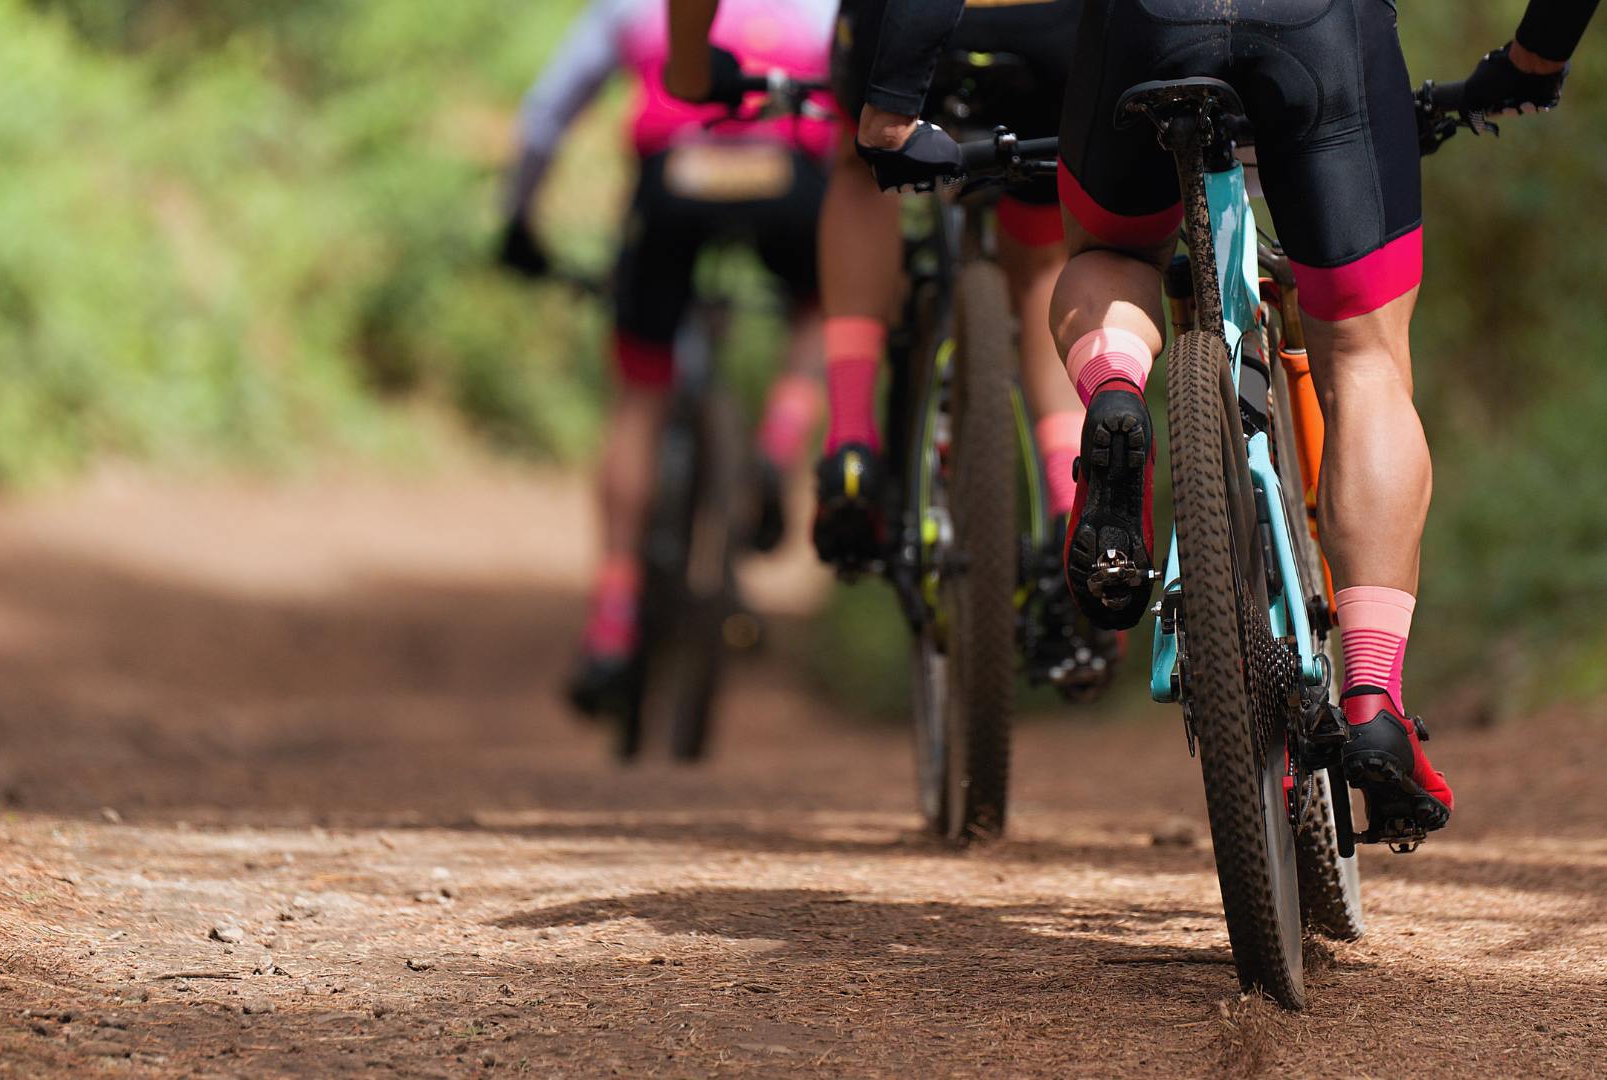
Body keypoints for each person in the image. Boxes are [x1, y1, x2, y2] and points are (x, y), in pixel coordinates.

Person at [847, 0, 1596, 841]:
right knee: (1361, 357)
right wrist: (1535, 58)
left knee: (1111, 256)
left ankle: (1118, 389)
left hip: (1145, 29)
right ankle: (1374, 697)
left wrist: (891, 107)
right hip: (1322, 32)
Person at [669, 0, 1123, 682]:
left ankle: (850, 442)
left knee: (858, 168)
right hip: (1053, 29)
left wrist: (690, 68)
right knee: (1041, 257)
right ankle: (1068, 501)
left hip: (909, 34)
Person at [501, 0, 839, 714]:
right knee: (821, 307)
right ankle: (777, 444)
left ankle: (612, 624)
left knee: (640, 397)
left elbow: (545, 117)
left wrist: (519, 222)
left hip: (674, 178)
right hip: (789, 174)